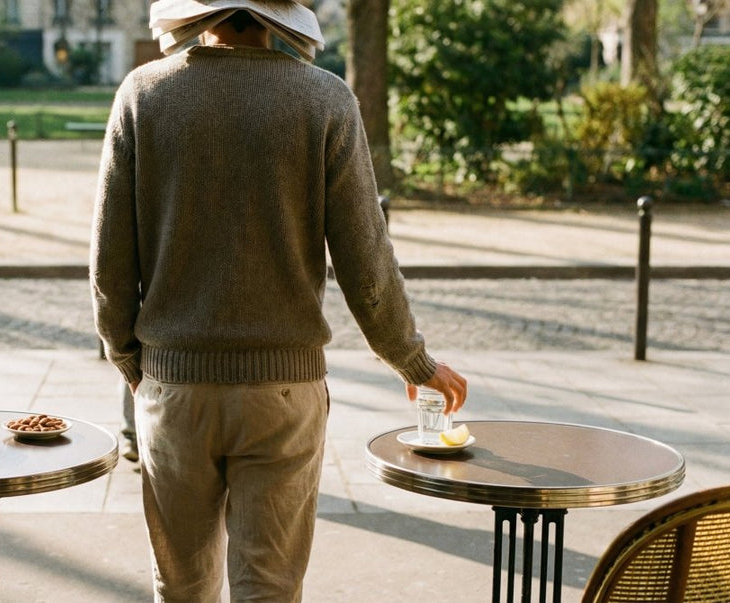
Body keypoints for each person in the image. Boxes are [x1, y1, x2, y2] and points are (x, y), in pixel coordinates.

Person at [90, 1, 468, 600]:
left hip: (174, 391)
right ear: (282, 15)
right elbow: (366, 261)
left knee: (181, 588)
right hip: (284, 395)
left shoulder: (143, 94)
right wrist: (413, 362)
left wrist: (133, 364)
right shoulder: (324, 100)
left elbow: (110, 262)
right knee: (269, 589)